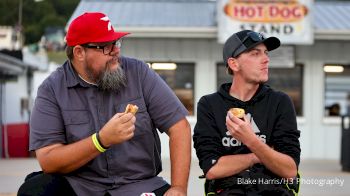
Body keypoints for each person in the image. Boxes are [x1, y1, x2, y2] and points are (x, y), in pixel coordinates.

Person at [18, 12, 191, 196]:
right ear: (79, 52)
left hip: (139, 185)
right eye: (106, 46)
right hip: (79, 187)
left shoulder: (139, 73)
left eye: (116, 43)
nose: (116, 51)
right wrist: (100, 141)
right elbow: (48, 160)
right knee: (33, 190)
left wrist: (178, 188)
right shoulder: (51, 90)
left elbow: (179, 127)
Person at [193, 30, 301, 195]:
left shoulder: (280, 102)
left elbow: (289, 169)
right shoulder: (209, 105)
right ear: (234, 64)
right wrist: (259, 155)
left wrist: (251, 141)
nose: (266, 59)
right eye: (255, 53)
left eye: (265, 53)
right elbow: (212, 169)